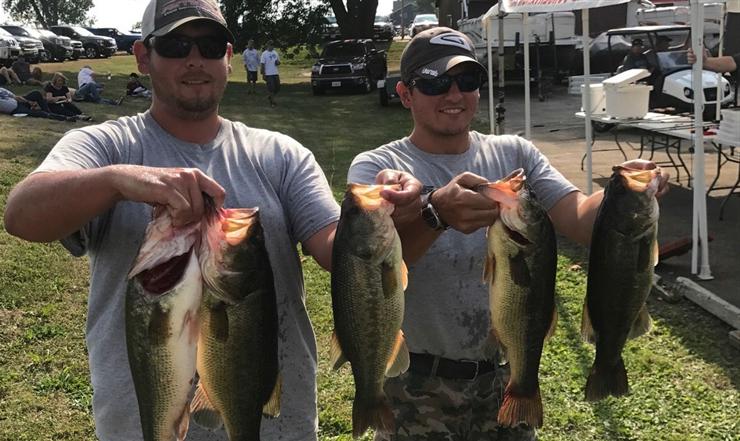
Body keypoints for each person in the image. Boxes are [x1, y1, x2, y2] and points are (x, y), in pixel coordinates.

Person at [3, 0, 419, 440]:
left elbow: (338, 251)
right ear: (144, 57)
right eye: (176, 45)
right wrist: (121, 180)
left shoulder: (280, 154)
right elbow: (22, 215)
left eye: (209, 44)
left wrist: (386, 217)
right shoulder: (105, 146)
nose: (194, 60)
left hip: (279, 424)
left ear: (228, 54)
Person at [347, 27, 670, 441]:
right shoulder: (377, 170)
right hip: (416, 383)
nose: (453, 94)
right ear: (405, 94)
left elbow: (578, 217)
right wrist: (435, 215)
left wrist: (628, 193)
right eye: (434, 83)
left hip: (504, 376)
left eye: (467, 81)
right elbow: (368, 274)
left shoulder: (515, 154)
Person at [0, 86, 76, 121]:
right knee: (39, 113)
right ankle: (63, 118)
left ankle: (48, 111)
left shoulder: (2, 90)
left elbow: (15, 97)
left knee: (36, 93)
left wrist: (28, 102)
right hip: (15, 109)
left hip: (19, 102)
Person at [260, 40, 280, 106]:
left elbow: (278, 62)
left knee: (277, 88)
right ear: (268, 45)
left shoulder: (275, 53)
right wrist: (263, 74)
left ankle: (270, 97)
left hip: (275, 73)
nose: (272, 46)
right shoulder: (264, 54)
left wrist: (278, 62)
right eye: (270, 45)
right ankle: (272, 102)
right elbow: (262, 64)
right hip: (268, 74)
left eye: (273, 45)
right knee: (271, 88)